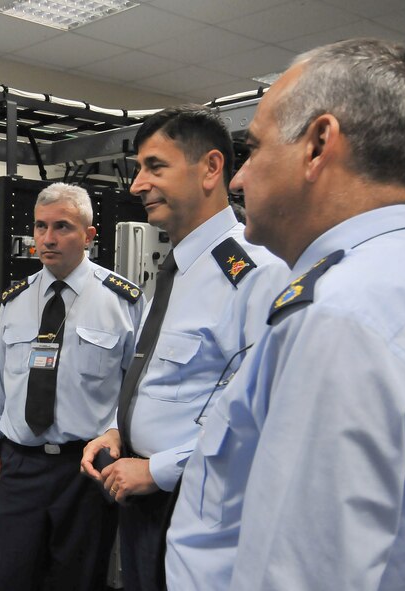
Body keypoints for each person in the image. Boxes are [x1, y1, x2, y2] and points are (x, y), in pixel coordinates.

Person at [166, 38, 405, 590]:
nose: (238, 179)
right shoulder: (392, 283)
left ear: (318, 145)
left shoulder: (339, 319)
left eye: (252, 150)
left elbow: (299, 572)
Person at [79, 105, 287, 591]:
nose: (136, 185)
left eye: (155, 167)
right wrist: (114, 431)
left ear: (211, 168)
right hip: (140, 492)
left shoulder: (255, 273)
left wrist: (159, 469)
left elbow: (260, 414)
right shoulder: (174, 272)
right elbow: (151, 375)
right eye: (138, 170)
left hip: (195, 502)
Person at [0, 183, 143, 591]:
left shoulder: (122, 302)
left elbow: (136, 389)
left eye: (62, 227)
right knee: (7, 578)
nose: (47, 239)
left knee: (77, 580)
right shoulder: (15, 301)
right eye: (40, 226)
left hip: (84, 471)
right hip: (19, 466)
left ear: (89, 235)